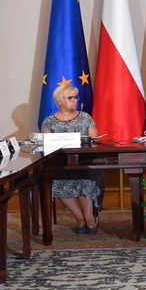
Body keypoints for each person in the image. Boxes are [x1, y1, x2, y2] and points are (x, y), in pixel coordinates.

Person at [41, 84, 104, 234]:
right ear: (59, 101)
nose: (75, 100)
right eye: (71, 98)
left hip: (84, 162)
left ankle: (89, 218)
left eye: (76, 97)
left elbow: (95, 141)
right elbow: (47, 144)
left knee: (87, 178)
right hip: (61, 164)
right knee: (56, 181)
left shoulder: (85, 117)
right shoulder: (49, 121)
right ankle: (80, 218)